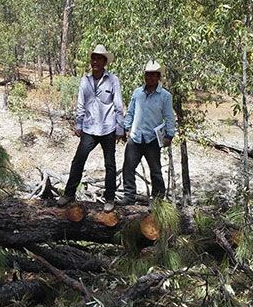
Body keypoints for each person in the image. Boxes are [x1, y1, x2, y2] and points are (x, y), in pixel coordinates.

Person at [56, 45, 125, 211]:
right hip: (89, 128)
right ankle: (69, 193)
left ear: (104, 62)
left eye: (99, 59)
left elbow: (118, 105)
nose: (95, 61)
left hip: (108, 128)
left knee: (110, 164)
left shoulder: (113, 80)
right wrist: (78, 123)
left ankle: (109, 199)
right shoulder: (85, 80)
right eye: (93, 58)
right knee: (78, 160)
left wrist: (120, 128)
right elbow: (81, 104)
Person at [118, 60, 175, 205]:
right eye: (147, 75)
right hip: (136, 137)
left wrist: (169, 135)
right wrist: (125, 128)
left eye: (153, 75)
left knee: (155, 170)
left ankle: (158, 200)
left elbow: (169, 116)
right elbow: (130, 112)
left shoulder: (165, 96)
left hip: (152, 139)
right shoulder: (138, 93)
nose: (149, 78)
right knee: (128, 168)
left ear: (158, 77)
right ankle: (129, 196)